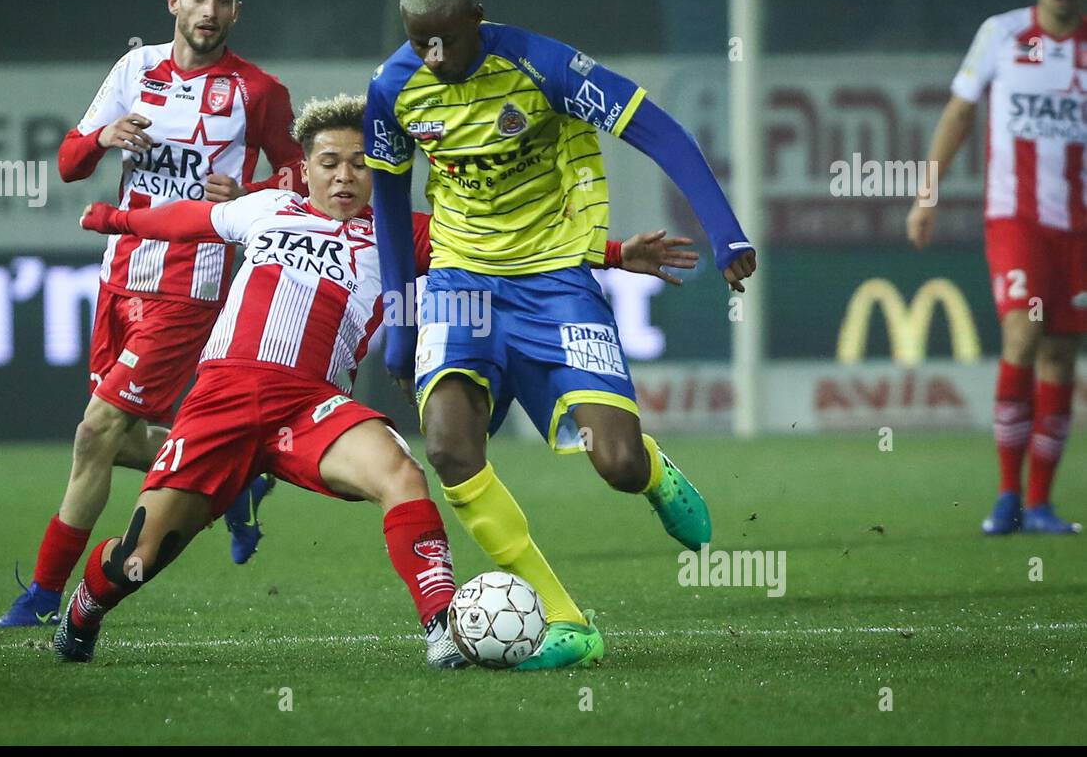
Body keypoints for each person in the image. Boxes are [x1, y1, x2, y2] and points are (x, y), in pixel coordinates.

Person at [60, 94, 699, 668]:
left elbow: (510, 248)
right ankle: (83, 612)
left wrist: (616, 255)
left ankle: (443, 626)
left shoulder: (399, 236)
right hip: (220, 403)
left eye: (362, 164)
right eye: (330, 162)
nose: (345, 176)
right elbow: (184, 222)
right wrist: (112, 221)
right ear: (304, 168)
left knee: (404, 473)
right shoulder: (264, 209)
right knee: (140, 557)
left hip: (308, 407)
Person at [366, 0, 756, 669]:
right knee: (451, 447)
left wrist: (725, 229)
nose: (435, 58)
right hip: (462, 278)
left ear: (478, 19)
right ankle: (567, 621)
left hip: (555, 281)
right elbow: (390, 211)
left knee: (614, 459)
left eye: (448, 41)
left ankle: (652, 473)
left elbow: (659, 131)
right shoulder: (392, 89)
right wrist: (401, 321)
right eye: (420, 42)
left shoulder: (541, 64)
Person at [0, 0, 305, 629]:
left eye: (222, 0)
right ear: (174, 2)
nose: (209, 11)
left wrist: (249, 190)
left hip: (189, 285)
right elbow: (71, 164)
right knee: (121, 436)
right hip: (119, 275)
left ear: (236, 11)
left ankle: (46, 594)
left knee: (94, 432)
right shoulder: (133, 70)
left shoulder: (257, 91)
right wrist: (104, 135)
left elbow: (303, 180)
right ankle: (239, 480)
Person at [908, 0, 1085, 536]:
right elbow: (959, 112)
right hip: (1017, 218)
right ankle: (1007, 494)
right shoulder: (1002, 34)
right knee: (1022, 331)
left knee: (1062, 353)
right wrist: (927, 194)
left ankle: (1039, 503)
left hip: (1081, 228)